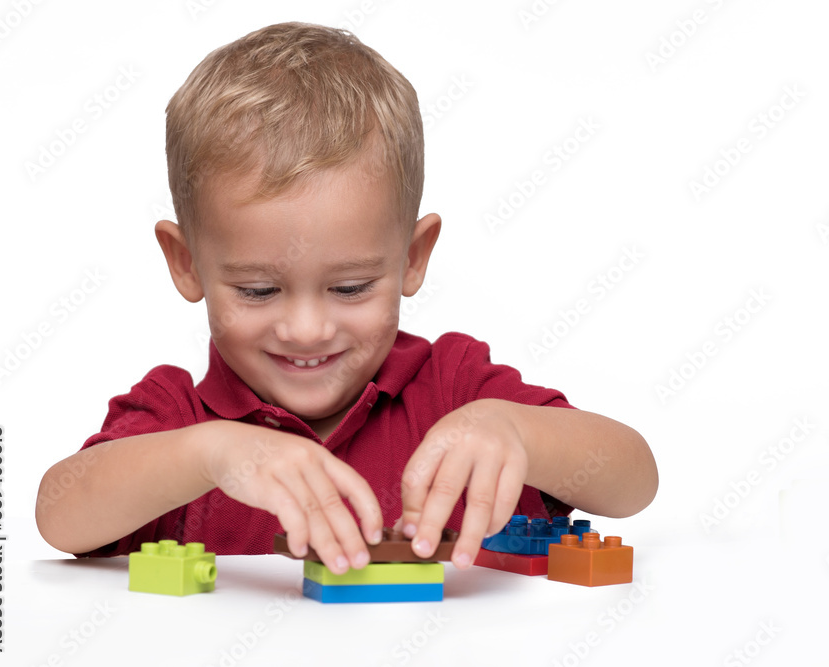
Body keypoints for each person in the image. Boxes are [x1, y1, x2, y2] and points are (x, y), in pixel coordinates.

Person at [36, 22, 657, 575]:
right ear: (186, 263)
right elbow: (57, 516)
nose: (306, 329)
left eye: (350, 287)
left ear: (413, 257)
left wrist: (517, 429)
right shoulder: (179, 420)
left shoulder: (456, 387)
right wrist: (211, 454)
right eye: (258, 290)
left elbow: (635, 481)